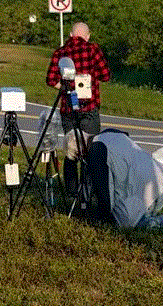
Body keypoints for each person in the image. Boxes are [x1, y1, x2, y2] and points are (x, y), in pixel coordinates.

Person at [46, 21, 110, 195]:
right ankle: (87, 192)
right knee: (90, 152)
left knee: (71, 152)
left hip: (68, 109)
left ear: (71, 35)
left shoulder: (60, 53)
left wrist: (67, 88)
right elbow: (106, 75)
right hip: (89, 108)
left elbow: (51, 80)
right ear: (87, 36)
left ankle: (72, 191)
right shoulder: (93, 50)